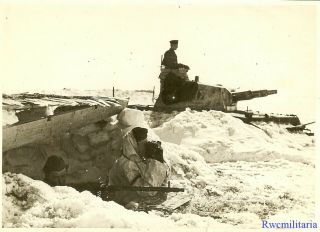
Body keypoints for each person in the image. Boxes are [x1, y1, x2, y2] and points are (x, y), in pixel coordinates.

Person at [108, 126, 170, 209]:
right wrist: (155, 163)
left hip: (136, 194)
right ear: (134, 144)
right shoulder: (127, 164)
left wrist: (159, 159)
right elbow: (145, 191)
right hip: (123, 199)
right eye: (143, 143)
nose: (145, 146)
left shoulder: (138, 158)